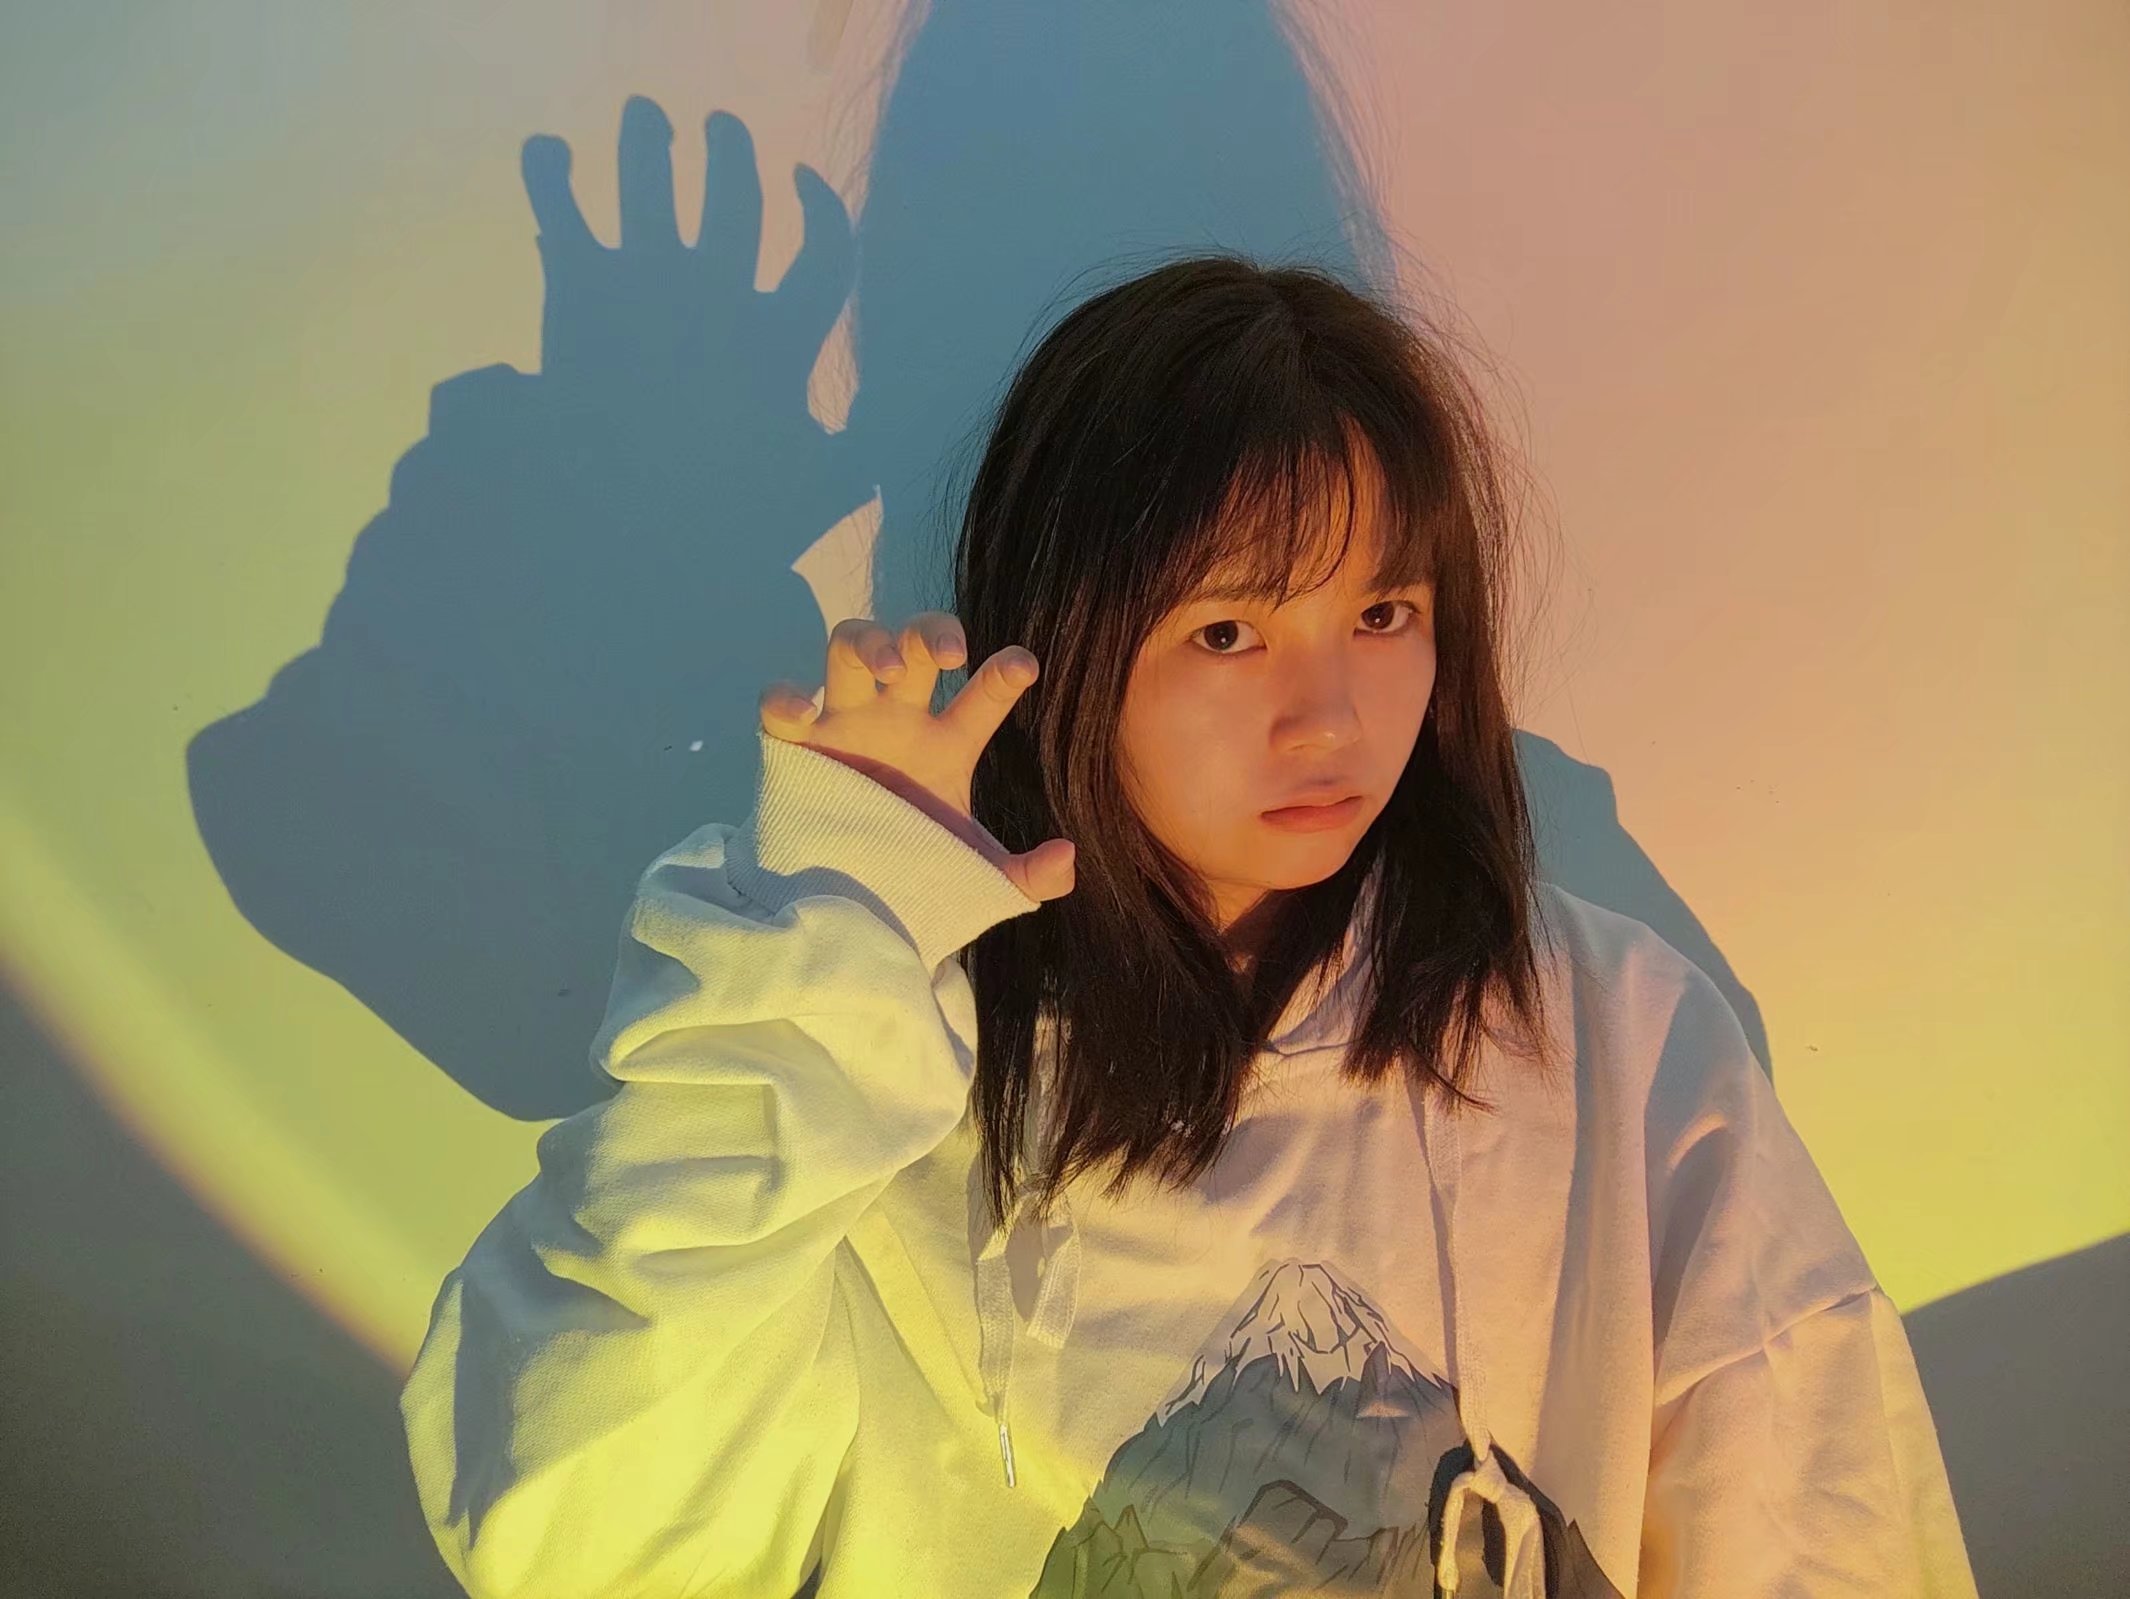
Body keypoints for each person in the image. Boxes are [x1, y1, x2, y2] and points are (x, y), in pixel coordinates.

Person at [399, 254, 1981, 1597]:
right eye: (1228, 630)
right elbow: (581, 1532)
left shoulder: (1606, 1033)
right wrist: (829, 947)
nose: (1329, 717)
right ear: (1070, 641)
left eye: (1382, 614)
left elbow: (1814, 1510)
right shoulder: (884, 1052)